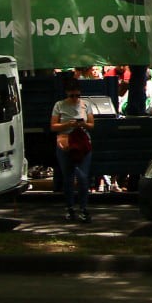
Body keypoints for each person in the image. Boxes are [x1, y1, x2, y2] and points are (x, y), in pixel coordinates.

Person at [50, 77, 96, 221]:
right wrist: (67, 125)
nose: (75, 98)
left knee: (83, 177)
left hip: (82, 142)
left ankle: (83, 208)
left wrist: (82, 124)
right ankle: (70, 208)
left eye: (77, 95)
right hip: (65, 143)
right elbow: (53, 126)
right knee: (68, 178)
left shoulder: (85, 105)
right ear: (66, 94)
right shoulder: (59, 105)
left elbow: (91, 124)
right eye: (72, 95)